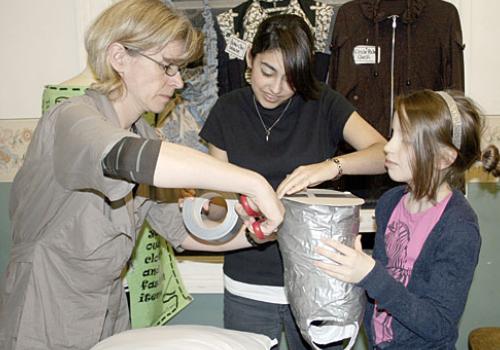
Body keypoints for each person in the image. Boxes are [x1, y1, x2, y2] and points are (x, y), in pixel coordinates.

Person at [0, 1, 284, 350]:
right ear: (119, 56)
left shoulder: (144, 136)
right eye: (167, 67)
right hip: (44, 312)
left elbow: (182, 233)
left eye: (179, 69)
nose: (177, 81)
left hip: (108, 313)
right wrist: (252, 182)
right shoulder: (72, 119)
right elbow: (130, 158)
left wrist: (258, 235)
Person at [199, 14, 387, 349]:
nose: (275, 88)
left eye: (290, 79)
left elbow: (384, 153)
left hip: (319, 282)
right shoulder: (226, 112)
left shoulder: (323, 104)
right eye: (267, 72)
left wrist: (331, 167)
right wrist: (215, 210)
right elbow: (216, 205)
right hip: (248, 285)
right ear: (249, 59)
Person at [315, 89, 500, 349]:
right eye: (393, 133)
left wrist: (369, 274)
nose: (388, 146)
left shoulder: (459, 227)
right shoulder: (390, 203)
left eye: (405, 139)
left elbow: (438, 324)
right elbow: (383, 282)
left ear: (444, 158)